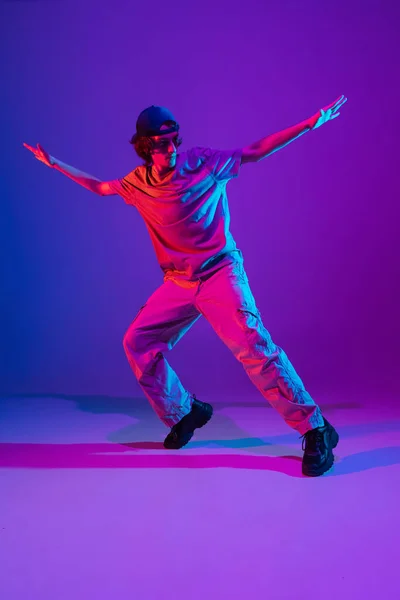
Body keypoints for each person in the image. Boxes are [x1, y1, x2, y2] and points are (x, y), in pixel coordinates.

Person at [24, 95, 347, 476]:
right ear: (146, 147)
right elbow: (99, 188)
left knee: (253, 347)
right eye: (161, 144)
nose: (171, 149)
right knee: (137, 342)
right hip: (179, 282)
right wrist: (53, 163)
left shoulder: (204, 163)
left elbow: (255, 151)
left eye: (175, 139)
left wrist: (308, 124)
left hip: (219, 274)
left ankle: (315, 428)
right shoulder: (137, 184)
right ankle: (185, 411)